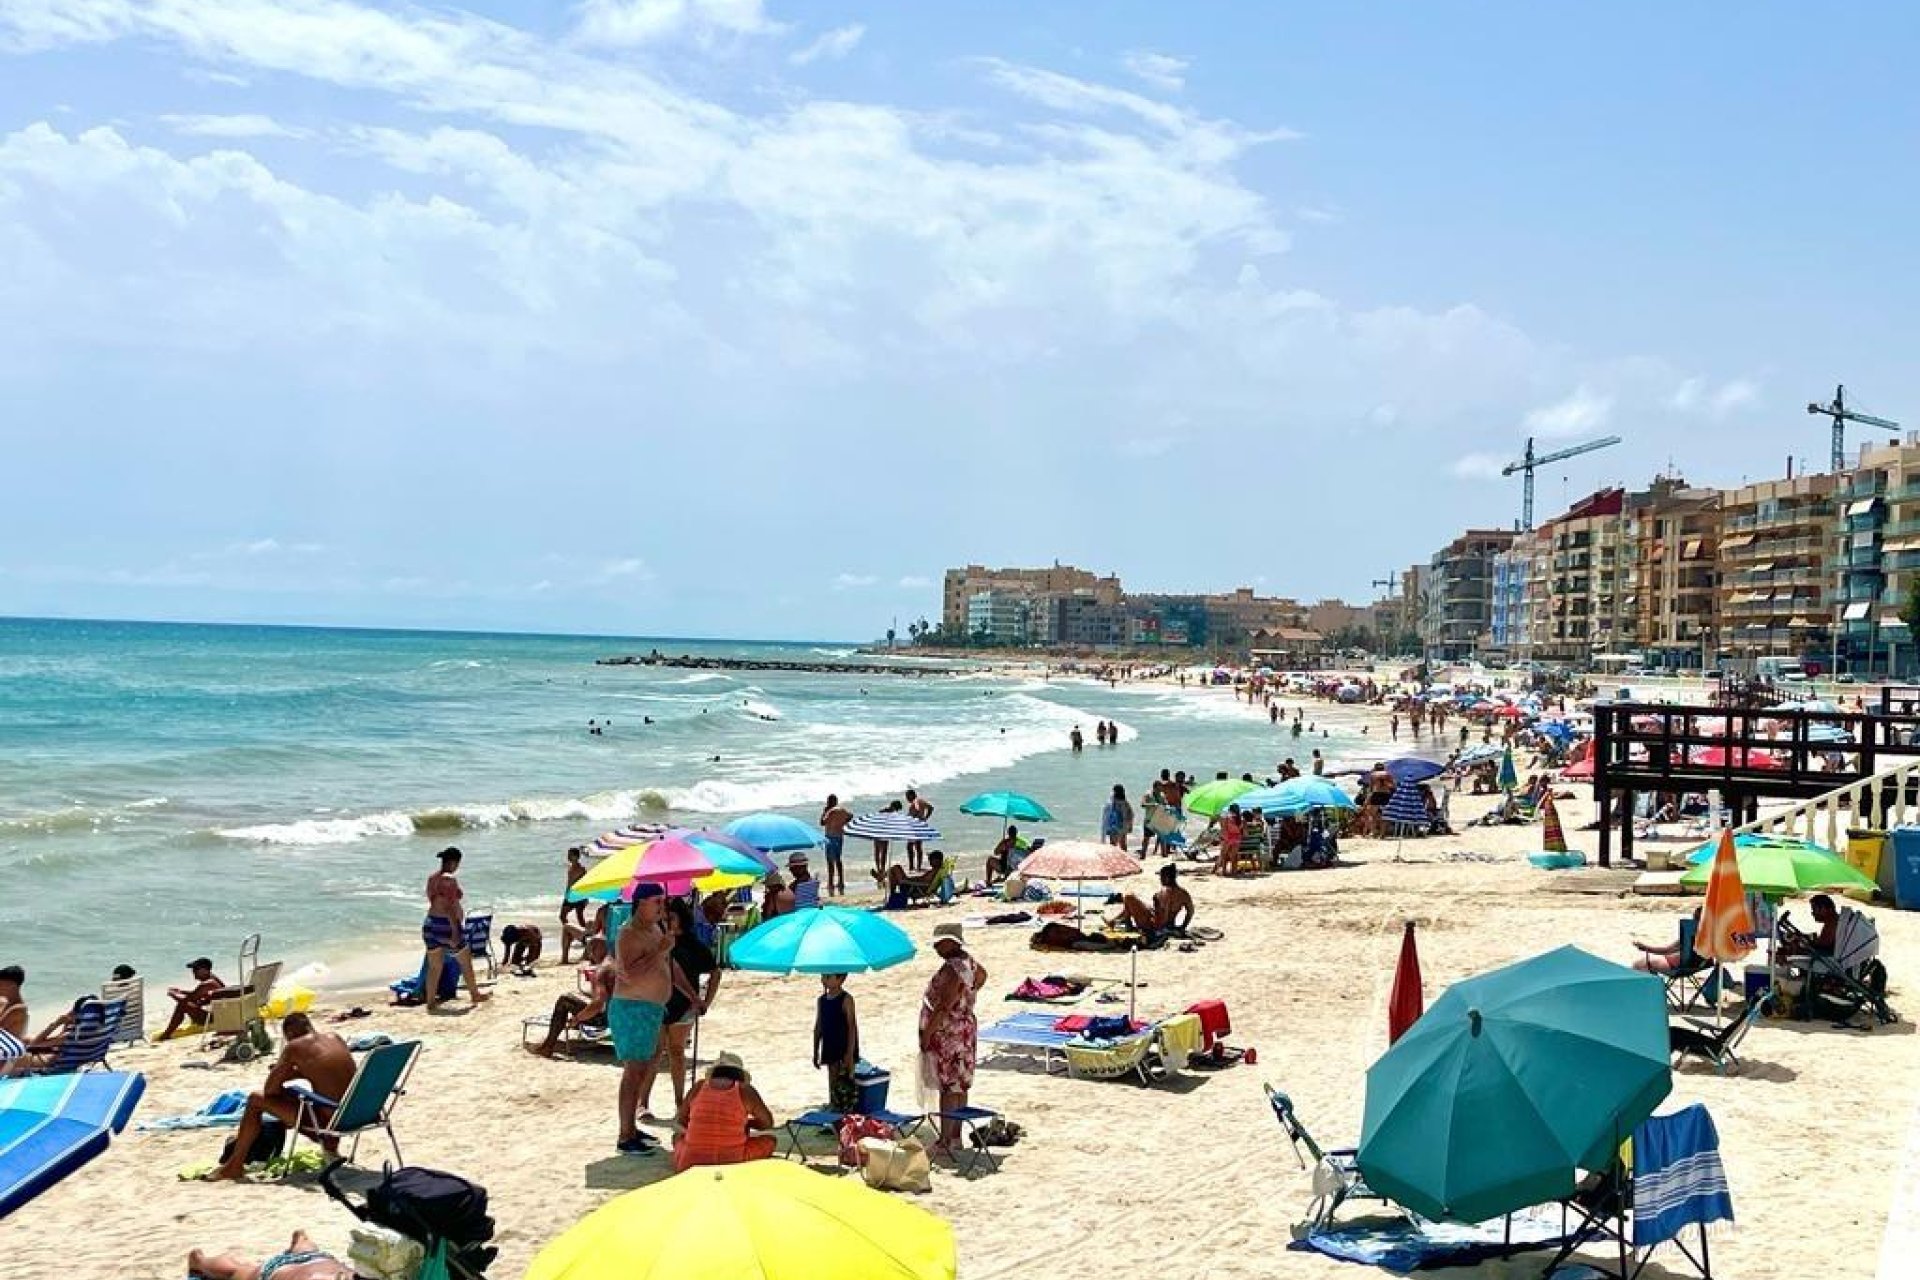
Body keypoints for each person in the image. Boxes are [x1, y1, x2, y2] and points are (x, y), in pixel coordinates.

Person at [211, 1012, 356, 1180]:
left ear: (290, 1034)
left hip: (331, 1123)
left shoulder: (294, 1047)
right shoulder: (334, 1038)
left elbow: (270, 1090)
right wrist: (300, 1072)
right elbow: (331, 1075)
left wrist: (284, 1073)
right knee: (314, 1098)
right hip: (359, 1113)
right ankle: (331, 1149)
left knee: (255, 1099)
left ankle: (234, 1166)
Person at [640, 899, 722, 1120]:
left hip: (684, 1004)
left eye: (671, 918)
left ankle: (680, 1102)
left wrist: (707, 1001)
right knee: (654, 1053)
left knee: (677, 1052)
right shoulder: (656, 941)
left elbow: (715, 972)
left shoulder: (693, 945)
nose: (666, 921)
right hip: (656, 1002)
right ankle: (643, 1103)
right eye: (663, 917)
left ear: (681, 919)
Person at [612, 884, 674, 1155]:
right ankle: (625, 1136)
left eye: (663, 901)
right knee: (634, 1071)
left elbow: (663, 965)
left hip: (652, 1008)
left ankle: (631, 1128)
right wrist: (660, 950)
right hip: (632, 1007)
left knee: (645, 1069)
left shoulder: (655, 929)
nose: (661, 906)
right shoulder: (629, 933)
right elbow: (629, 973)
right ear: (640, 903)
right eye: (656, 901)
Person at [919, 923, 987, 1160]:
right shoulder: (970, 963)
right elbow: (982, 976)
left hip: (950, 1033)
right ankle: (955, 1137)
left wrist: (927, 1034)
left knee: (948, 1087)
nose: (936, 947)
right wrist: (968, 997)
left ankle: (946, 1139)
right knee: (960, 1085)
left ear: (952, 943)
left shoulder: (952, 970)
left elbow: (943, 1007)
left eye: (940, 943)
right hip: (965, 1029)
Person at [671, 1051, 776, 1172]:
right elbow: (767, 1123)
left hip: (690, 1162)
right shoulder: (745, 1090)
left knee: (677, 1137)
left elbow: (682, 1121)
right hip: (732, 1160)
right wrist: (746, 1124)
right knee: (770, 1140)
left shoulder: (698, 1087)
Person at [423, 847, 488, 1012]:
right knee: (465, 961)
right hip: (446, 925)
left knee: (434, 966)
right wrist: (455, 931)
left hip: (430, 923)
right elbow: (449, 907)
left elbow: (435, 901)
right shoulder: (449, 880)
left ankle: (430, 1002)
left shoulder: (432, 878)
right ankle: (475, 994)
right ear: (454, 862)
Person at [187, 1230, 353, 1280]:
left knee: (308, 1253)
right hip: (275, 1271)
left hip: (318, 1260)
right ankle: (199, 1261)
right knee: (235, 1271)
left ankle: (301, 1241)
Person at [529, 961, 614, 1057]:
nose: (591, 954)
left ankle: (547, 1046)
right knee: (576, 1000)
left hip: (606, 1020)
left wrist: (577, 1018)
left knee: (564, 1000)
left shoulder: (604, 969)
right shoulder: (620, 964)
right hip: (620, 1016)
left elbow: (598, 1004)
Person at [813, 972, 861, 1112]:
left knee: (846, 1082)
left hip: (844, 1046)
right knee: (832, 1080)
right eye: (823, 976)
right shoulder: (821, 1000)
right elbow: (818, 1026)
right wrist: (815, 1050)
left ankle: (846, 1111)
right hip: (829, 1046)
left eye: (828, 977)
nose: (824, 980)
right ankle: (834, 1108)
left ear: (841, 979)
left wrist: (849, 1053)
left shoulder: (846, 999)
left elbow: (852, 1027)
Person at [1115, 864, 1195, 943]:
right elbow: (1190, 912)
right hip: (1165, 924)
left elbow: (1161, 918)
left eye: (1161, 877)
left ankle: (1127, 924)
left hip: (1152, 925)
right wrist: (1183, 926)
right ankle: (1119, 920)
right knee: (1135, 904)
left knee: (1129, 897)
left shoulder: (1164, 893)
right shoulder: (1184, 894)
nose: (1160, 879)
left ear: (1167, 878)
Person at [161, 957, 227, 1039]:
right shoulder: (213, 979)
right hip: (218, 1014)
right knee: (191, 1004)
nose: (193, 972)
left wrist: (172, 994)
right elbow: (196, 994)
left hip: (216, 1018)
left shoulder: (208, 984)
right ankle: (169, 1032)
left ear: (204, 970)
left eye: (196, 969)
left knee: (182, 1006)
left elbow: (188, 999)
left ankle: (166, 1035)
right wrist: (180, 991)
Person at [820, 794, 853, 896]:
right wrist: (843, 822)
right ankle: (841, 881)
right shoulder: (841, 810)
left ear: (830, 802)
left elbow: (822, 822)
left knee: (830, 861)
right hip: (839, 836)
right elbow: (850, 816)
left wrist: (824, 812)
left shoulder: (830, 811)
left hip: (830, 837)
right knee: (838, 859)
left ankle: (830, 882)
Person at [562, 901, 610, 966]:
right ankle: (584, 956)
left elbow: (594, 931)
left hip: (605, 944)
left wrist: (588, 928)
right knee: (590, 923)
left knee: (566, 927)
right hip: (616, 942)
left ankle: (564, 960)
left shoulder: (603, 910)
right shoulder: (624, 909)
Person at [905, 788, 934, 872]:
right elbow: (931, 808)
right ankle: (917, 867)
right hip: (920, 825)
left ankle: (913, 867)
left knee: (911, 846)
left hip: (915, 826)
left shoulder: (916, 801)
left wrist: (916, 814)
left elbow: (917, 808)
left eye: (907, 796)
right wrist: (925, 818)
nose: (906, 798)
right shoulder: (921, 801)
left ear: (911, 795)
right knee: (917, 846)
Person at [560, 847, 588, 929]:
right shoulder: (570, 867)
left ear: (576, 856)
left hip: (579, 895)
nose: (568, 857)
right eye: (568, 855)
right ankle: (569, 931)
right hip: (570, 895)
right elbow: (569, 883)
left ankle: (585, 933)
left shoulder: (582, 869)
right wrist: (566, 894)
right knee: (562, 916)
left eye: (570, 855)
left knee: (579, 917)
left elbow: (585, 884)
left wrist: (586, 897)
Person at [1102, 784, 1134, 850]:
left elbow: (1108, 813)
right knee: (1122, 843)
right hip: (1122, 825)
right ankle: (1124, 855)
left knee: (1113, 844)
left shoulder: (1113, 801)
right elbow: (1131, 815)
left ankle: (1114, 855)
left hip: (1114, 825)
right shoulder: (1125, 802)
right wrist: (1129, 826)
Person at [1216, 804, 1245, 877]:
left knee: (1224, 855)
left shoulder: (1227, 818)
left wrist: (1222, 838)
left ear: (1230, 810)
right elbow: (1244, 832)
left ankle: (1224, 871)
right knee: (1234, 856)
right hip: (1237, 838)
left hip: (1228, 838)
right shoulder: (1241, 820)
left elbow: (1224, 829)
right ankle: (1233, 871)